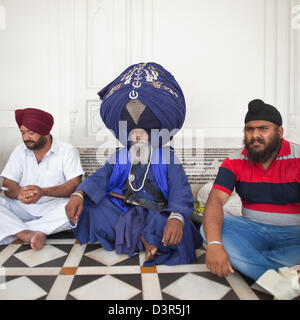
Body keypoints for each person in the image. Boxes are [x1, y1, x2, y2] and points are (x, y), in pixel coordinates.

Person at [65, 62, 202, 266]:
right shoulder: (121, 155)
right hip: (124, 208)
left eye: (142, 131)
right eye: (133, 132)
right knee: (92, 210)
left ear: (154, 133)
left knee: (165, 223)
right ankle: (146, 241)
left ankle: (141, 239)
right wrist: (78, 194)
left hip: (157, 211)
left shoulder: (168, 157)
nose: (137, 135)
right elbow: (101, 177)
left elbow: (180, 190)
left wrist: (177, 217)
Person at [200, 99, 300, 281]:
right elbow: (215, 200)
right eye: (250, 129)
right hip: (251, 230)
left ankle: (256, 267)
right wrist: (214, 244)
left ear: (280, 132)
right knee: (210, 230)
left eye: (263, 128)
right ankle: (283, 277)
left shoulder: (298, 157)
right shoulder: (234, 160)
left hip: (294, 233)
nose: (255, 135)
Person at [0, 108, 84, 250]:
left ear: (45, 131)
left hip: (54, 207)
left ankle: (15, 230)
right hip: (22, 207)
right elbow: (8, 184)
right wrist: (22, 193)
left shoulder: (67, 150)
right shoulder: (19, 151)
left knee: (79, 209)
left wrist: (43, 192)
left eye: (31, 133)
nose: (26, 137)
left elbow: (74, 184)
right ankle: (29, 233)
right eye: (23, 133)